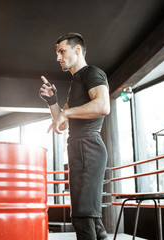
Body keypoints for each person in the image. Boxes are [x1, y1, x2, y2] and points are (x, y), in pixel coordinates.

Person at [39, 32, 110, 240]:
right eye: (57, 53)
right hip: (80, 147)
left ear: (77, 50)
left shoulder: (92, 73)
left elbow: (103, 105)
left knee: (82, 217)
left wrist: (66, 112)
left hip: (88, 145)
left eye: (62, 51)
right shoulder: (77, 82)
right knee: (92, 219)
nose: (58, 57)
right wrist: (52, 101)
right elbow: (62, 123)